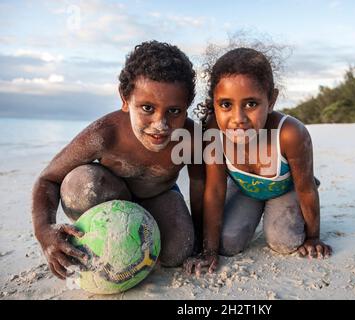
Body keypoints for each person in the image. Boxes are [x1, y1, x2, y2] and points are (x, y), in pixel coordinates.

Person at [32, 41, 204, 279]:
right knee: (80, 185)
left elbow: (199, 189)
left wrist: (202, 243)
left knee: (178, 252)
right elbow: (47, 179)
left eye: (174, 111)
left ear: (187, 107)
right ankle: (100, 233)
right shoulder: (105, 134)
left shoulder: (191, 138)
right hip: (108, 196)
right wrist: (44, 231)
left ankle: (144, 226)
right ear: (125, 99)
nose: (160, 124)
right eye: (147, 108)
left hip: (158, 196)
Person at [184, 47, 332, 276]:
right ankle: (254, 204)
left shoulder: (290, 134)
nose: (238, 119)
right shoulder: (213, 131)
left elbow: (307, 190)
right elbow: (214, 189)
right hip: (246, 190)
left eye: (251, 104)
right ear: (213, 102)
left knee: (284, 242)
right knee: (227, 244)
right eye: (225, 105)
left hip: (286, 188)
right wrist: (209, 250)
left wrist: (314, 237)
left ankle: (287, 193)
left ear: (271, 100)